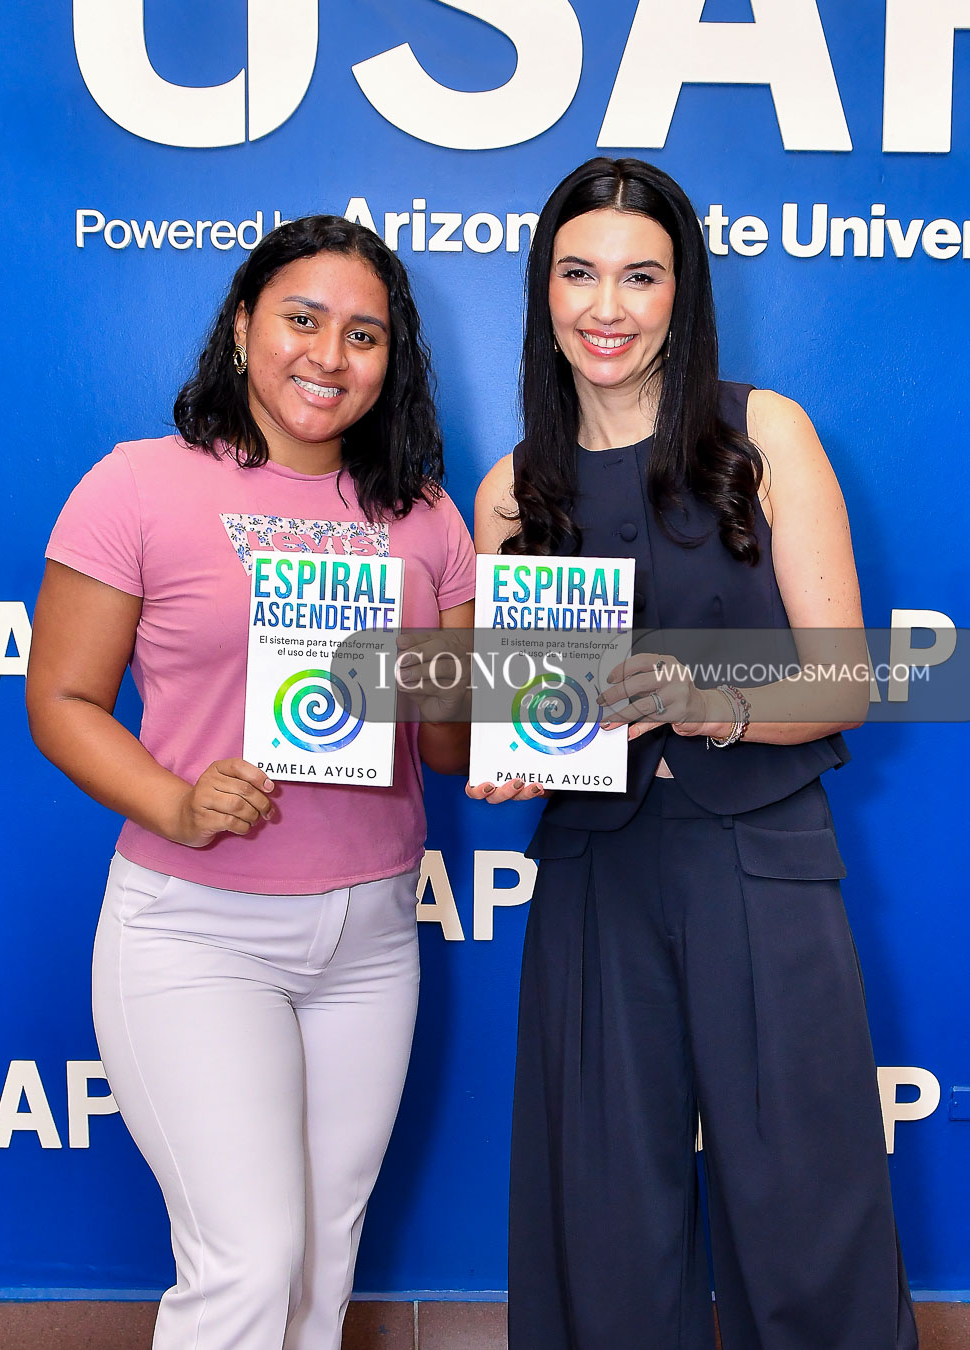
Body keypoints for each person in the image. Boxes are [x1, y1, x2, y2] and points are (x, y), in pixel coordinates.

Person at [470, 159, 918, 1350]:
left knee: (807, 1199)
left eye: (640, 276)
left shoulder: (764, 433)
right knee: (602, 1217)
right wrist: (509, 754)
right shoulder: (511, 489)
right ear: (544, 289)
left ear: (683, 293)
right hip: (593, 873)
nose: (605, 307)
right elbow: (511, 714)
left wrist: (705, 698)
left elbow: (847, 683)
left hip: (760, 854)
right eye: (579, 273)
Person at [26, 215, 475, 1350]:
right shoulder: (136, 486)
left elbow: (448, 748)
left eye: (363, 334)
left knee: (321, 1264)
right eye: (302, 319)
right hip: (196, 931)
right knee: (249, 1261)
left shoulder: (424, 517)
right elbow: (62, 700)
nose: (329, 355)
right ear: (242, 326)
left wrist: (531, 721)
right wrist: (175, 802)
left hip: (372, 936)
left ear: (393, 359)